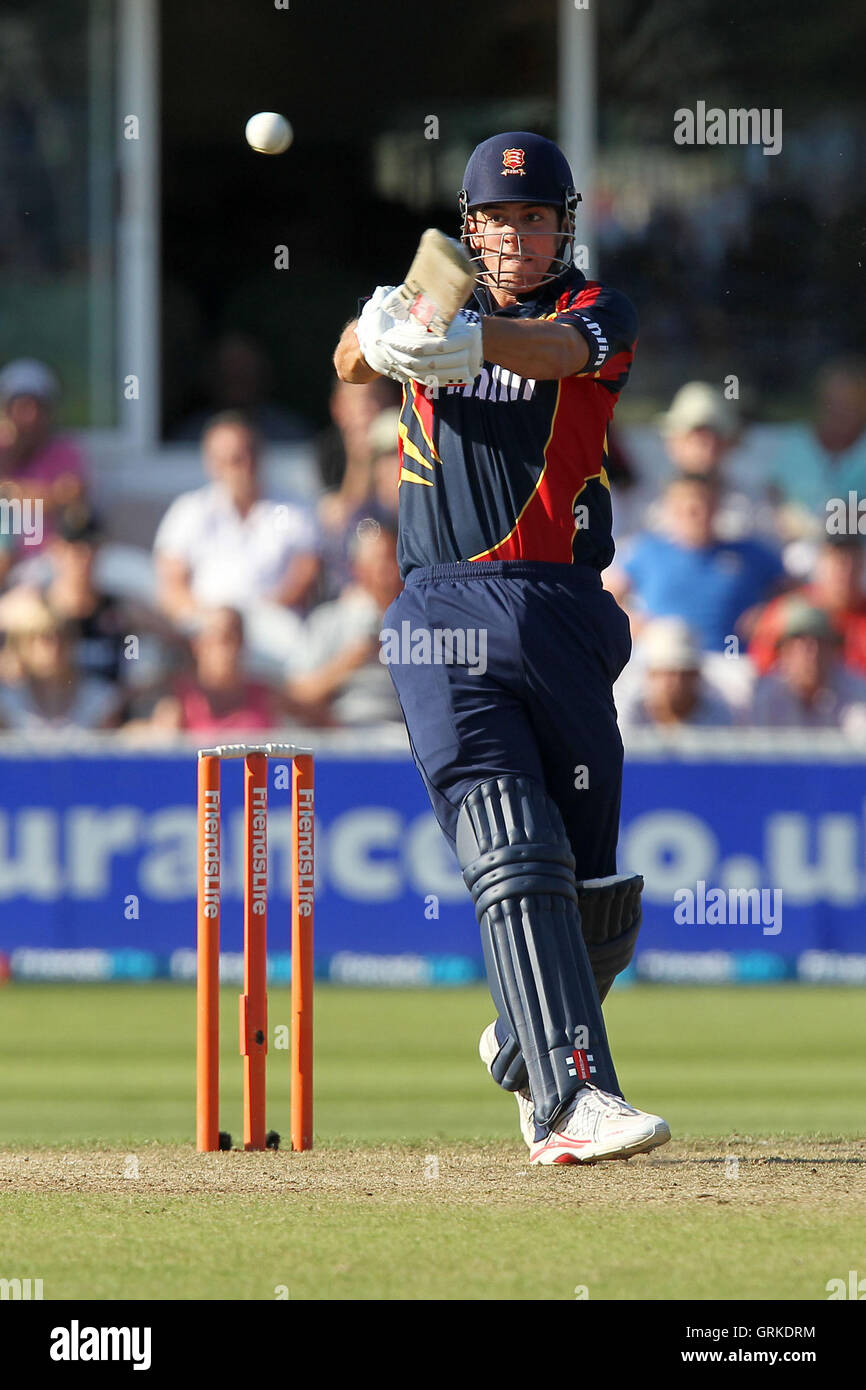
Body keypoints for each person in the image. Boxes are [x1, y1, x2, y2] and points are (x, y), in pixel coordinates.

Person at [333, 131, 670, 1166]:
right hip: (441, 613)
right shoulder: (434, 300)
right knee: (510, 845)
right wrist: (372, 331)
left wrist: (475, 344)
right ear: (469, 228)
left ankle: (523, 1033)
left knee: (594, 899)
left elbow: (566, 356)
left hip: (563, 611)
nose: (517, 237)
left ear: (560, 224)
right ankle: (569, 1101)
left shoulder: (595, 312)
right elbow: (349, 360)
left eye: (534, 219)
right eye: (497, 220)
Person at [153, 411, 320, 624]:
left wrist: (258, 619)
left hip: (274, 630)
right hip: (207, 633)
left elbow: (306, 575)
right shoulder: (188, 511)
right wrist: (209, 621)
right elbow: (171, 586)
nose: (243, 468)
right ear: (211, 464)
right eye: (231, 460)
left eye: (247, 455)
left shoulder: (296, 509)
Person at [609, 474, 786, 651]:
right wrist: (629, 621)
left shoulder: (748, 553)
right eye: (689, 509)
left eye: (706, 506)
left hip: (729, 658)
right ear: (672, 510)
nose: (697, 516)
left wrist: (768, 615)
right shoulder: (648, 552)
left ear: (717, 508)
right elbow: (607, 594)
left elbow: (795, 592)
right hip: (666, 662)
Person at [286, 522, 403, 726]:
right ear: (357, 568)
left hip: (405, 735)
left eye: (392, 560)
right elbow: (298, 696)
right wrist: (349, 661)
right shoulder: (327, 622)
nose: (387, 571)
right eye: (378, 561)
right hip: (343, 735)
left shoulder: (420, 622)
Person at [0, 358, 89, 559]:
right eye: (21, 407)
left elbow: (72, 495)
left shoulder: (66, 452)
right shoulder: (3, 448)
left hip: (49, 561)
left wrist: (10, 491)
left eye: (37, 407)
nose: (30, 416)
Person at [147, 606, 281, 735]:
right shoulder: (176, 702)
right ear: (198, 645)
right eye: (222, 640)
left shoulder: (268, 698)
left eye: (238, 640)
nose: (231, 651)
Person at [0, 589, 118, 733]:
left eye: (62, 635)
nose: (55, 647)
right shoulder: (6, 704)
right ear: (25, 645)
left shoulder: (101, 699)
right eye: (44, 638)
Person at [748, 534, 866, 677]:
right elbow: (761, 667)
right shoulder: (788, 610)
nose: (846, 570)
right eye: (839, 561)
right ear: (821, 563)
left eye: (854, 561)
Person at [748, 599, 866, 735]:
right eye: (803, 644)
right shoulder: (765, 696)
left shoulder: (856, 692)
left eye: (821, 643)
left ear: (834, 651)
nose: (813, 653)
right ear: (784, 651)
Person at [618, 618, 734, 732]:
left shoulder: (718, 713)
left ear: (697, 675)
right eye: (667, 674)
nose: (676, 682)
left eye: (685, 673)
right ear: (650, 675)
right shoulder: (629, 709)